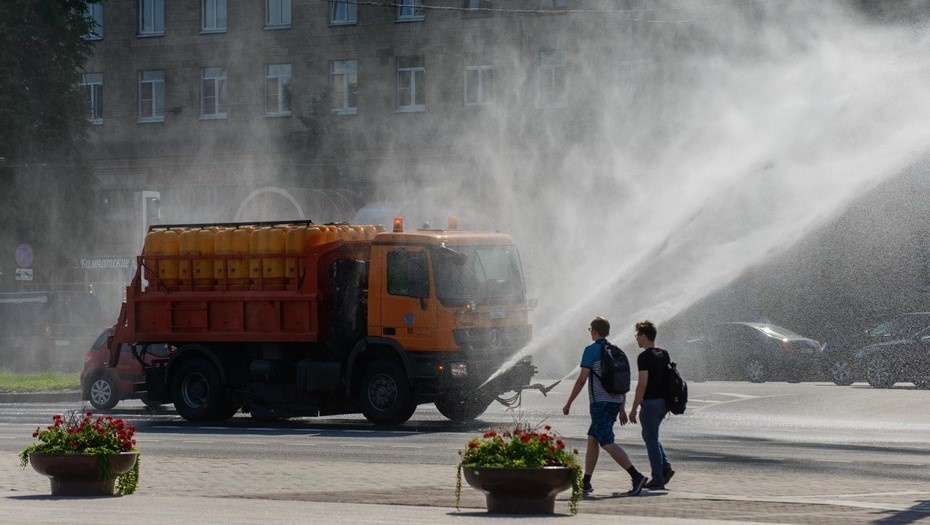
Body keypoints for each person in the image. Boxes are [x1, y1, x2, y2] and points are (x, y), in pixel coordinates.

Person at [562, 316, 648, 497]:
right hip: (615, 402)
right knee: (593, 438)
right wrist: (622, 407)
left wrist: (569, 402)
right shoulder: (615, 350)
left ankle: (636, 476)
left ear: (594, 331)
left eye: (590, 330)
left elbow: (582, 379)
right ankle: (586, 482)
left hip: (600, 404)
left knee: (606, 441)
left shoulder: (591, 350)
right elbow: (621, 381)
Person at [629, 320, 675, 490]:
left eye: (638, 335)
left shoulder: (644, 357)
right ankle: (665, 468)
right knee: (650, 436)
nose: (636, 339)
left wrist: (633, 408)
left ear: (645, 336)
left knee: (651, 440)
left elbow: (642, 385)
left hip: (650, 403)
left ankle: (658, 477)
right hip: (664, 403)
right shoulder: (664, 354)